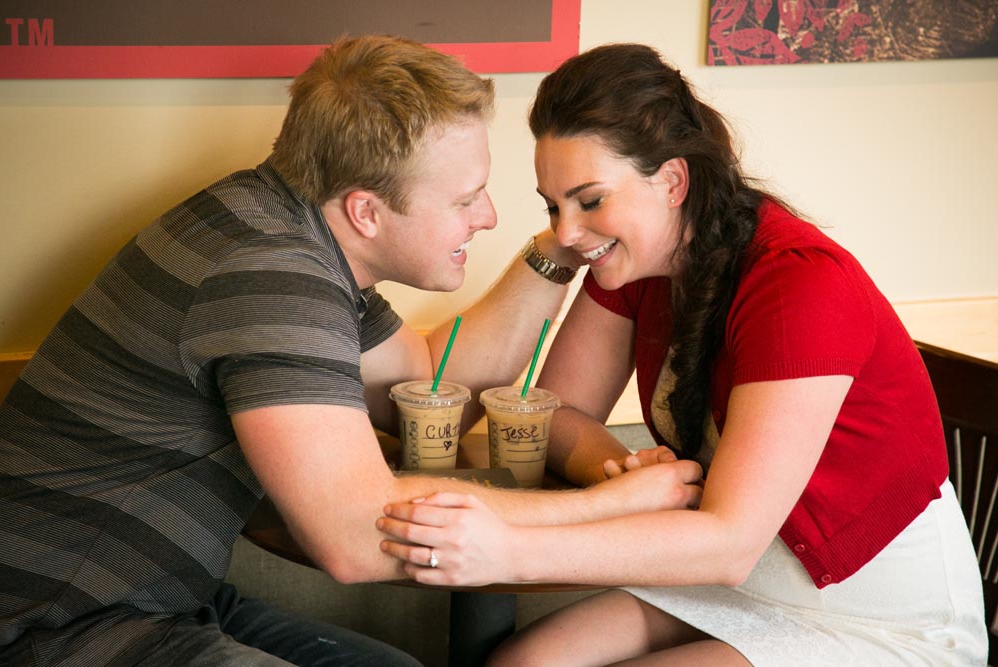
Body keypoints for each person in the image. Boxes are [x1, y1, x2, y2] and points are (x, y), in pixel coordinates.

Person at [0, 36, 703, 667]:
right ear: (367, 210)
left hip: (154, 594)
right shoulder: (270, 278)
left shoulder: (281, 228)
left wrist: (564, 243)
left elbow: (427, 376)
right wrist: (613, 507)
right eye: (467, 198)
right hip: (57, 623)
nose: (487, 216)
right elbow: (357, 536)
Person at [375, 43, 988, 665]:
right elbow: (555, 413)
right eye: (553, 206)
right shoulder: (637, 265)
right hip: (733, 580)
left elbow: (729, 543)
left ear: (672, 181)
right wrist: (621, 477)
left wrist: (510, 549)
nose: (564, 232)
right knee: (523, 663)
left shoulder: (801, 284)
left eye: (589, 200)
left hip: (874, 616)